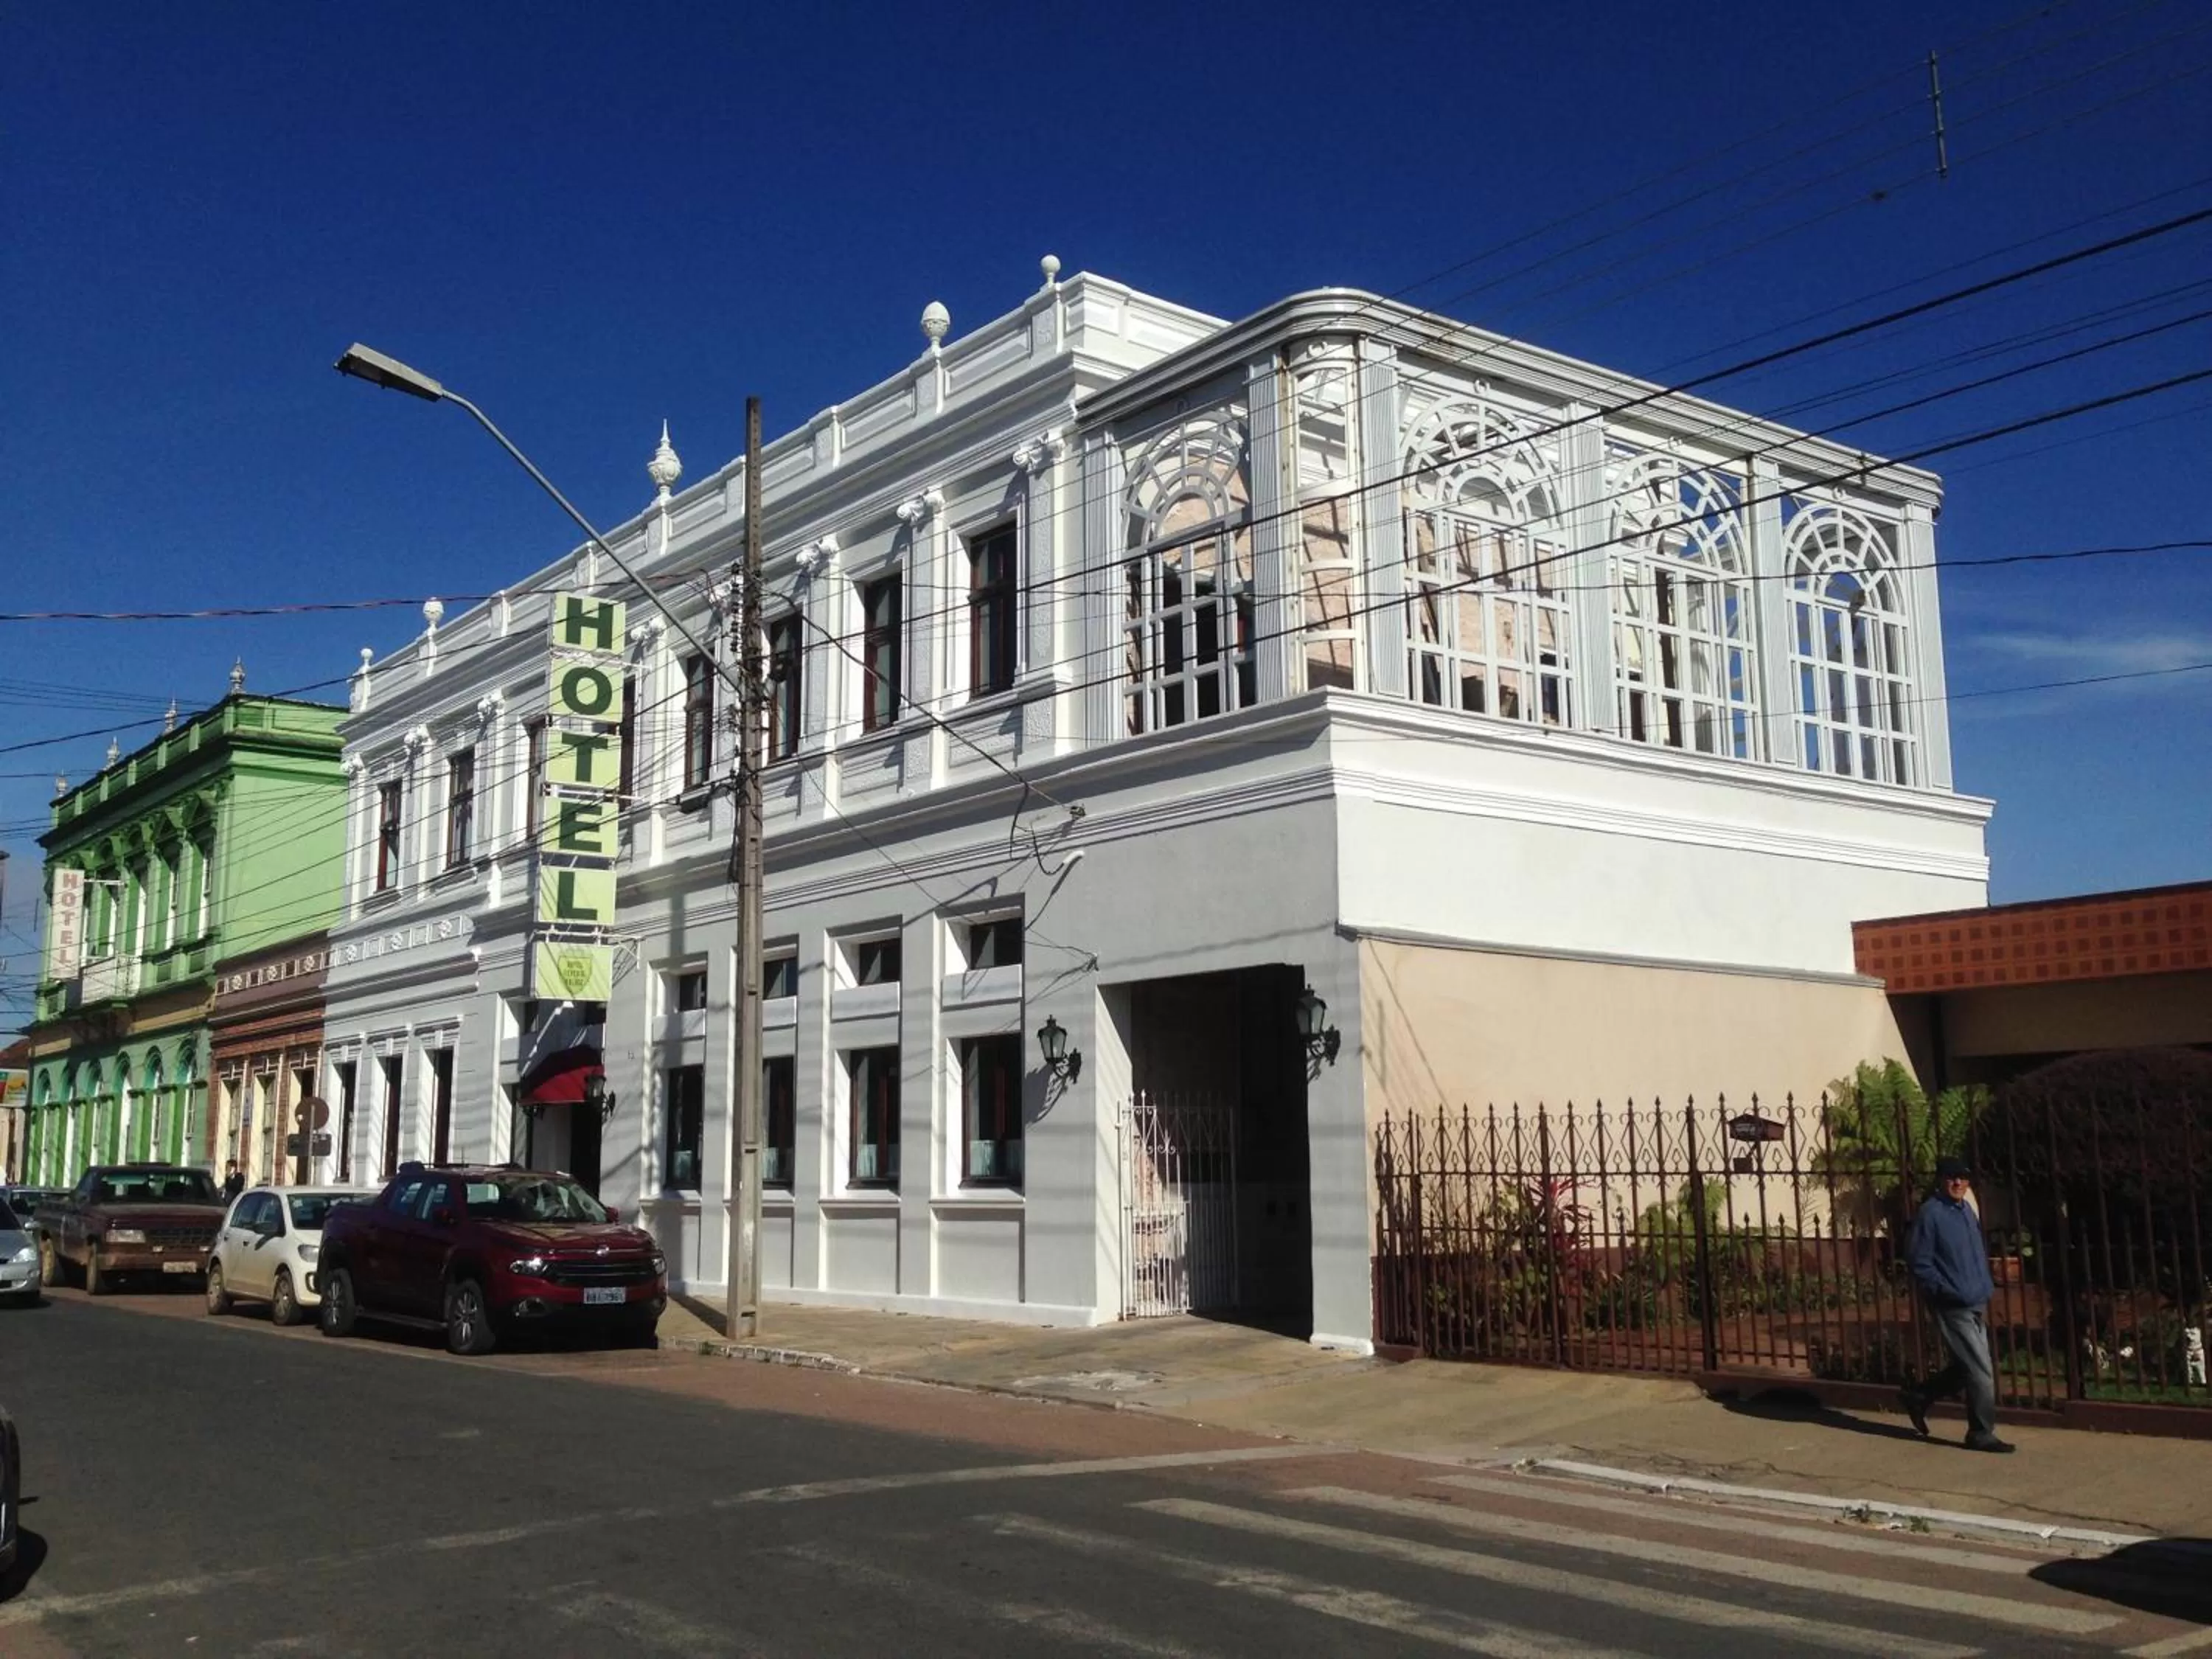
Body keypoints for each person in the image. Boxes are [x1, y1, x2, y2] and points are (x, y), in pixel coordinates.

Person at [1902, 1156, 2014, 1453]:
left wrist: (1984, 1286)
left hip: (1976, 1300)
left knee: (1970, 1367)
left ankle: (1921, 1396)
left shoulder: (1967, 1211)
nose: (1958, 1183)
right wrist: (1945, 1291)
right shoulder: (1931, 1214)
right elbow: (1919, 1262)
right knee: (1981, 1371)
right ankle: (1981, 1433)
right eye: (1952, 1177)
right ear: (1941, 1180)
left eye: (1963, 1178)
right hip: (1953, 1304)